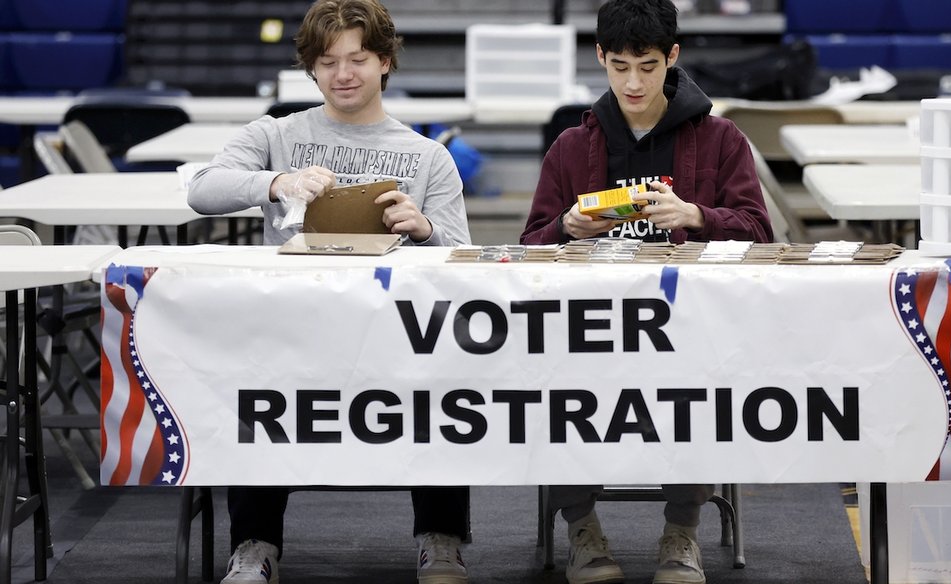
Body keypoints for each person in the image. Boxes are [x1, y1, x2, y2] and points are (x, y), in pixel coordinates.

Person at [187, 1, 472, 583]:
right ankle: (255, 544)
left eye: (358, 59)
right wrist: (276, 181)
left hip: (396, 334)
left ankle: (441, 537)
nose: (343, 74)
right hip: (294, 329)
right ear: (311, 70)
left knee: (447, 375)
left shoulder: (427, 157)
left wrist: (424, 231)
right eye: (328, 62)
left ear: (385, 62)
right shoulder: (276, 135)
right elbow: (202, 190)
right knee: (256, 377)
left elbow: (461, 261)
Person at [520, 0, 772, 583]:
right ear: (601, 58)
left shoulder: (720, 139)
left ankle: (683, 529)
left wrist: (698, 215)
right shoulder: (570, 148)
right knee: (552, 380)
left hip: (688, 325)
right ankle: (581, 526)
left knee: (700, 383)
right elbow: (529, 245)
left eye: (649, 66)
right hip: (587, 327)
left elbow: (758, 231)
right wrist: (566, 229)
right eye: (621, 67)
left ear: (673, 58)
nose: (633, 82)